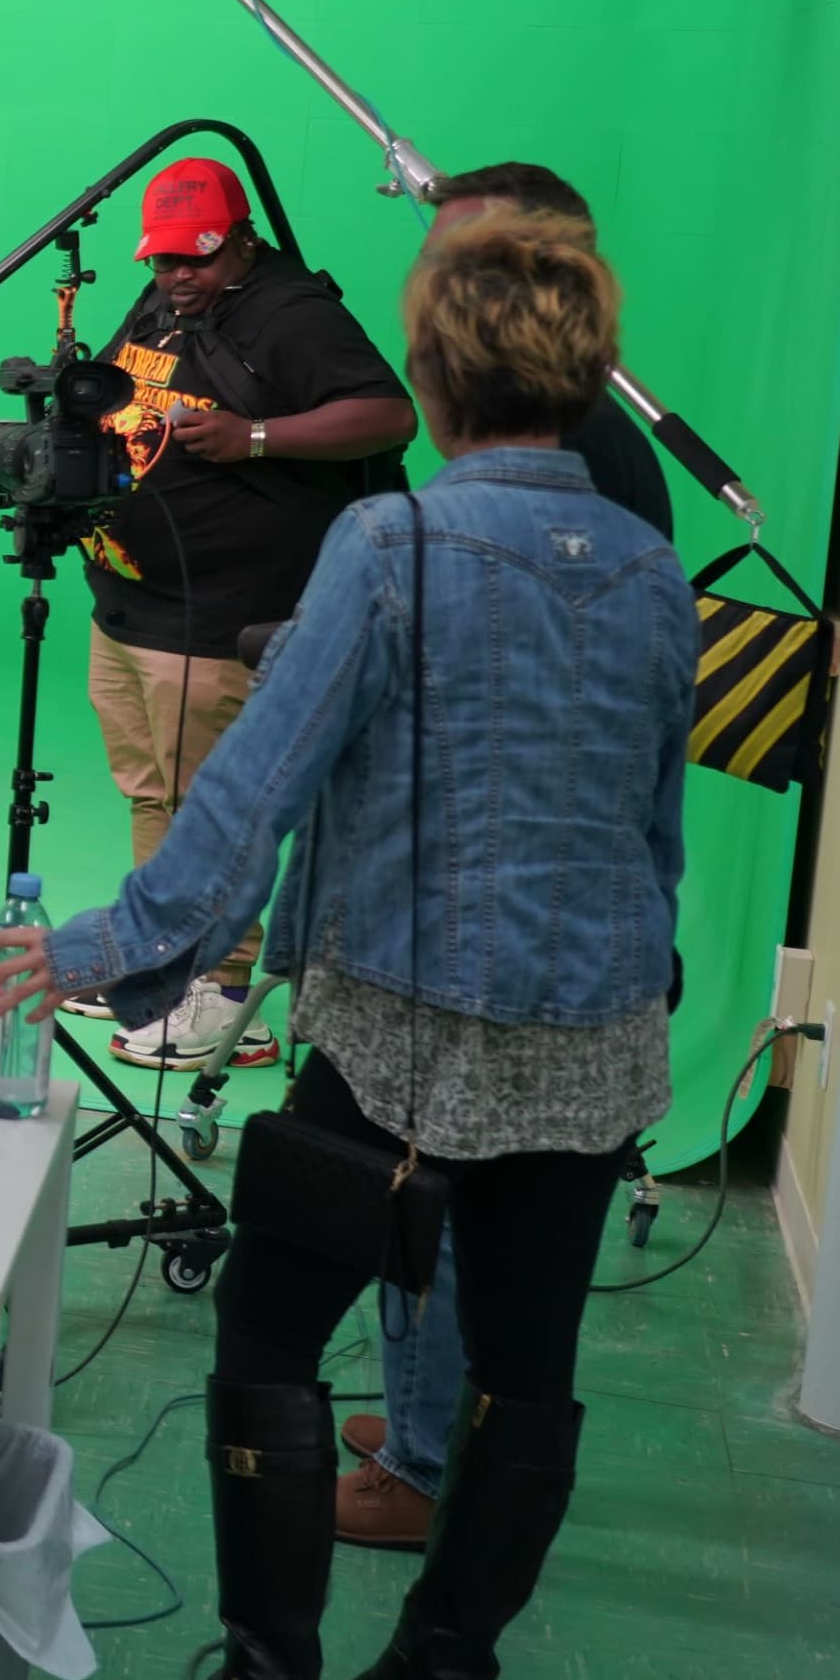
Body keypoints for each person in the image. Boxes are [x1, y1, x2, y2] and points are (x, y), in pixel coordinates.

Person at [0, 211, 694, 1680]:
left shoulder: (394, 549)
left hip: (405, 1046)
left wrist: (97, 949)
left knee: (268, 1330)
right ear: (580, 379)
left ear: (434, 375)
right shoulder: (654, 575)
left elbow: (244, 807)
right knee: (530, 1375)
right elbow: (656, 834)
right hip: (593, 1050)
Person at [337, 162, 677, 1557]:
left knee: (440, 1205)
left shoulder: (577, 475)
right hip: (556, 926)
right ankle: (429, 1425)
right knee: (448, 1218)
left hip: (493, 937)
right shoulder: (586, 454)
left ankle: (423, 1464)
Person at [78, 154, 416, 1071]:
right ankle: (156, 955)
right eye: (163, 260)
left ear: (242, 242)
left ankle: (224, 993)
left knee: (207, 803)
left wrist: (254, 437)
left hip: (218, 612)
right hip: (131, 601)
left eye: (198, 257)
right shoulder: (165, 303)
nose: (178, 275)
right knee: (154, 792)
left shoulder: (292, 316)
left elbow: (389, 415)